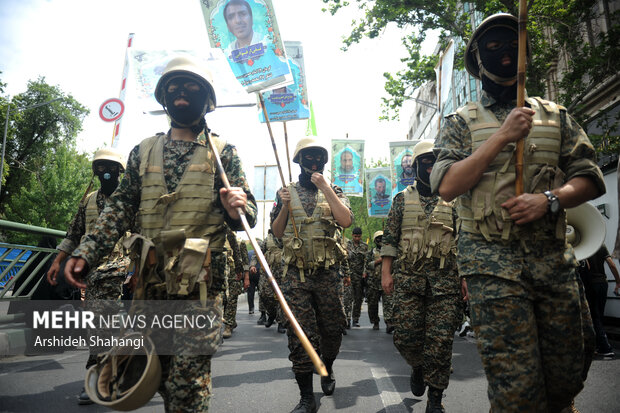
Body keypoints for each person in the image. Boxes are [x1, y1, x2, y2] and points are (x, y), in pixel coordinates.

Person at [430, 13, 606, 412]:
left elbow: (591, 178)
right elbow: (447, 186)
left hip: (552, 260)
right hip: (492, 267)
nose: (505, 54)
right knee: (517, 390)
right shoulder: (460, 122)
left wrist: (551, 199)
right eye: (492, 47)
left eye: (512, 44)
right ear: (478, 60)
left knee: (568, 372)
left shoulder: (555, 115)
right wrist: (503, 136)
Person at [63, 55, 257, 412]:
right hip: (149, 285)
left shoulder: (224, 153)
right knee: (155, 373)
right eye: (173, 88)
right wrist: (86, 251)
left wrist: (237, 207)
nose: (181, 94)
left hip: (198, 287)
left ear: (207, 100)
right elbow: (119, 207)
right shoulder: (142, 152)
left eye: (191, 88)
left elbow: (248, 215)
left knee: (187, 387)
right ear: (163, 99)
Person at [271, 136, 352, 413]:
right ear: (298, 161)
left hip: (328, 274)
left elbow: (345, 220)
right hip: (297, 276)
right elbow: (278, 233)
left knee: (332, 330)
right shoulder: (285, 191)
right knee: (300, 334)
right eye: (308, 157)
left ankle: (327, 365)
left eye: (319, 157)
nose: (314, 162)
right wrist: (283, 206)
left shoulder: (336, 190)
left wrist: (326, 188)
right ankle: (307, 398)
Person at [382, 141, 462, 413]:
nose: (430, 167)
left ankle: (435, 401)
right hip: (409, 282)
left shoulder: (454, 200)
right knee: (405, 337)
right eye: (425, 162)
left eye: (435, 162)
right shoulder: (402, 199)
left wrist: (466, 279)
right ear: (416, 166)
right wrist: (386, 274)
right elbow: (390, 240)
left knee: (441, 343)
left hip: (445, 285)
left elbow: (464, 242)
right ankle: (417, 365)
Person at [46, 148, 130, 406]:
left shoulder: (128, 200)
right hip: (92, 273)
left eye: (110, 167)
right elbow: (73, 234)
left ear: (120, 171)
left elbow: (142, 236)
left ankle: (101, 378)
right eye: (100, 166)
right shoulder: (89, 201)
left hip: (120, 270)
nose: (105, 171)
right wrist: (57, 261)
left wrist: (137, 269)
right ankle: (106, 376)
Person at [578, 245, 620, 358]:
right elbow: (612, 264)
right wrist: (618, 281)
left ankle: (604, 347)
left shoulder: (583, 246)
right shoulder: (601, 246)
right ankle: (598, 344)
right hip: (603, 283)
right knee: (599, 315)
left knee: (593, 315)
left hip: (591, 284)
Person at [252, 231, 286, 333]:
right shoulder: (268, 239)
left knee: (281, 298)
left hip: (283, 273)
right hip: (268, 273)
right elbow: (257, 252)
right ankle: (271, 314)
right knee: (264, 294)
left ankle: (281, 323)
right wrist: (253, 264)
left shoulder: (288, 236)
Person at [223, 229, 250, 339]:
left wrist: (246, 278)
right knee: (224, 298)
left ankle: (228, 326)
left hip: (235, 273)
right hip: (222, 272)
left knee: (232, 299)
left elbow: (245, 260)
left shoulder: (240, 242)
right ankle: (231, 320)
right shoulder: (218, 239)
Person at [364, 231, 394, 332]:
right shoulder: (371, 252)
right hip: (373, 282)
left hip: (386, 281)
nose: (380, 240)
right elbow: (367, 265)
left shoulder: (390, 252)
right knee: (372, 304)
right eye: (378, 238)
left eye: (382, 238)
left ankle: (389, 322)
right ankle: (375, 321)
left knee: (388, 303)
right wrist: (379, 261)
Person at [346, 227, 369, 328]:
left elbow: (366, 261)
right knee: (348, 298)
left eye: (359, 236)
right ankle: (347, 319)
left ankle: (355, 319)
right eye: (355, 236)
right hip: (349, 276)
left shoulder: (364, 246)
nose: (357, 238)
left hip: (359, 277)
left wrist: (365, 272)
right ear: (352, 235)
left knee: (358, 299)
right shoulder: (347, 245)